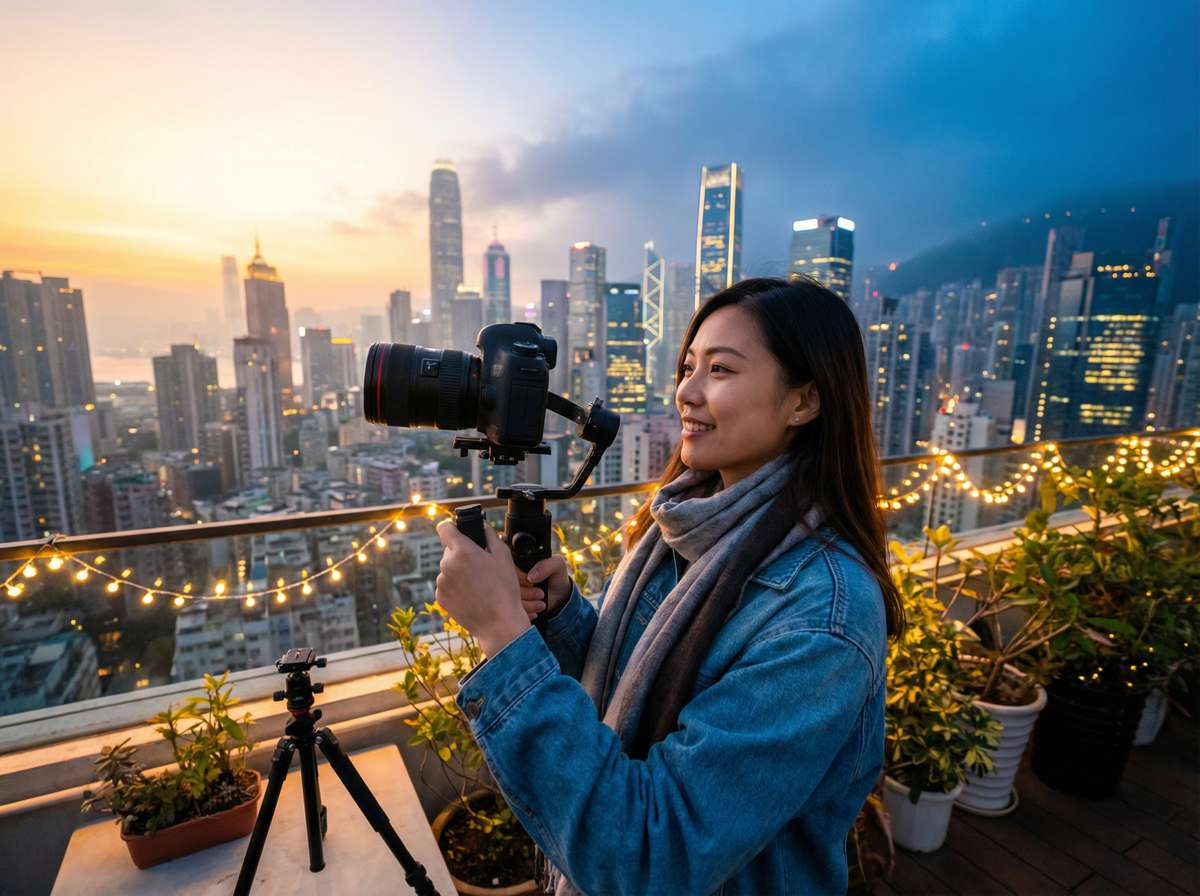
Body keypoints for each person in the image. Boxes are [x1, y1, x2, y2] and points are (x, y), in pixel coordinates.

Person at [434, 276, 904, 895]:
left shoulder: (822, 619)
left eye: (721, 370)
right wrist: (561, 614)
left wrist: (502, 632)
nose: (687, 391)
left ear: (804, 401)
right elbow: (626, 673)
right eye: (688, 367)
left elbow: (655, 856)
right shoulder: (686, 522)